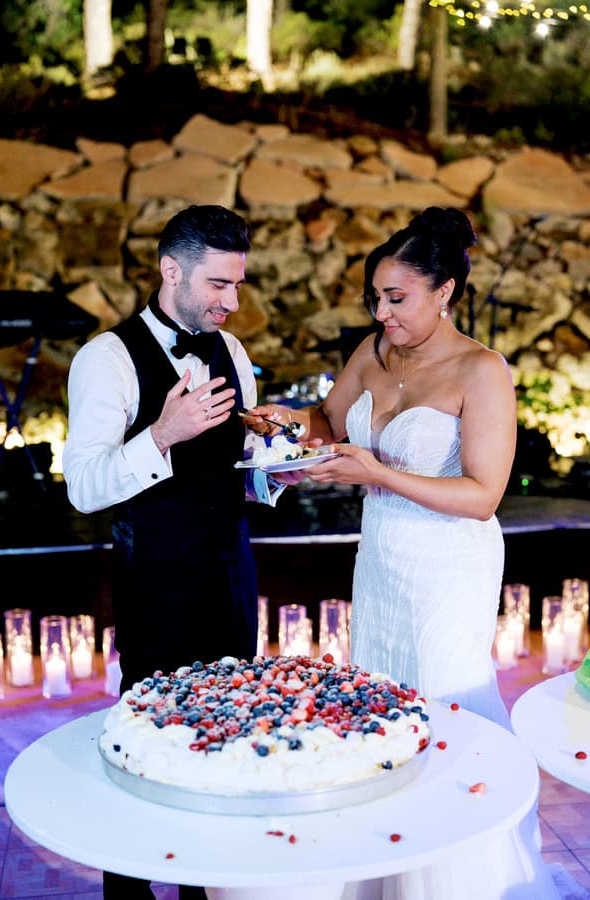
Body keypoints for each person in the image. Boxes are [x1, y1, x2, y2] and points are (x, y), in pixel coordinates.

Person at [247, 207, 587, 899]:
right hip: (384, 558)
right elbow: (330, 421)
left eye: (397, 298)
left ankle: (458, 876)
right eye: (375, 297)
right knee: (382, 694)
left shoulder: (482, 370)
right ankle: (389, 864)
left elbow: (484, 494)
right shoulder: (372, 351)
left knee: (443, 697)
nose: (382, 311)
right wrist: (289, 419)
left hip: (450, 561)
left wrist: (375, 472)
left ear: (445, 292)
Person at [62, 204, 294, 900]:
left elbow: (236, 472)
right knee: (148, 744)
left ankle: (206, 885)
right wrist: (161, 434)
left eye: (237, 286)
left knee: (225, 736)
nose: (231, 301)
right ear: (172, 271)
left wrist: (272, 468)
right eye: (218, 285)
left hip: (231, 571)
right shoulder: (105, 357)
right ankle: (130, 889)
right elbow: (83, 487)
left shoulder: (236, 355)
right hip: (155, 581)